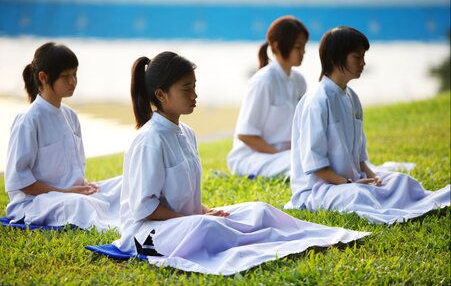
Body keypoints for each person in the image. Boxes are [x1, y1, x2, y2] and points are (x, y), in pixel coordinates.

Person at [112, 51, 369, 275]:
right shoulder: (149, 140)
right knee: (209, 227)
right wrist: (195, 216)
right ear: (161, 94)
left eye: (194, 86)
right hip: (147, 234)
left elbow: (182, 196)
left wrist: (203, 209)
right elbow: (146, 208)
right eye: (186, 88)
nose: (195, 94)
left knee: (259, 209)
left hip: (185, 221)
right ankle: (266, 241)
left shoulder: (186, 133)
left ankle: (299, 236)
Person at [285, 26, 450, 224]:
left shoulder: (351, 97)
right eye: (357, 57)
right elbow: (316, 166)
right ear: (336, 58)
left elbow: (360, 159)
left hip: (353, 180)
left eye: (363, 56)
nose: (363, 63)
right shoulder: (317, 101)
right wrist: (349, 183)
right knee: (358, 196)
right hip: (320, 188)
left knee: (401, 181)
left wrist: (374, 178)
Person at [4, 42, 122, 230]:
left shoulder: (71, 116)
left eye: (74, 74)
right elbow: (20, 182)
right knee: (80, 205)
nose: (73, 81)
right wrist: (66, 192)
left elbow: (74, 171)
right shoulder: (28, 121)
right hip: (37, 202)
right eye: (65, 76)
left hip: (72, 194)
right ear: (43, 77)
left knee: (124, 183)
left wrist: (83, 187)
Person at [227, 16, 308, 177]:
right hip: (253, 157)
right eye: (298, 47)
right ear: (277, 47)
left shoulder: (299, 81)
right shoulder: (263, 81)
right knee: (304, 166)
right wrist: (279, 154)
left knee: (320, 160)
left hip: (284, 155)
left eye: (304, 46)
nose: (303, 52)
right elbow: (245, 134)